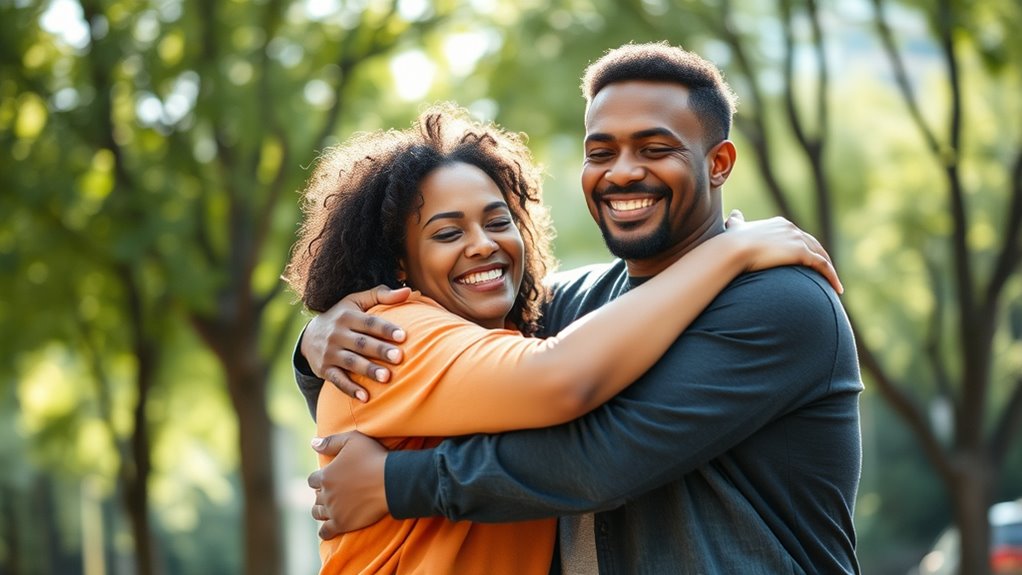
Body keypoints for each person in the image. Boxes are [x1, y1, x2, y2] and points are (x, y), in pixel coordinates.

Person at [297, 43, 863, 574]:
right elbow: (426, 388)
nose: (621, 172)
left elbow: (603, 461)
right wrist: (315, 345)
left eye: (655, 148)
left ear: (718, 163)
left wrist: (399, 482)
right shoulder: (571, 307)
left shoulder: (778, 301)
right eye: (601, 152)